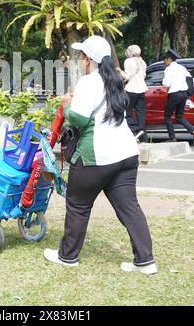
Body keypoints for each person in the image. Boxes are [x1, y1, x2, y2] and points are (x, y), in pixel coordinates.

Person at [44, 36, 157, 275]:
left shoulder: (89, 82)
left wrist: (65, 104)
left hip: (97, 157)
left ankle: (67, 256)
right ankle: (145, 261)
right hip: (126, 154)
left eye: (81, 55)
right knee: (130, 208)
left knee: (77, 205)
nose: (79, 59)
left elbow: (78, 118)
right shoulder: (114, 80)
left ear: (88, 59)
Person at [117, 45, 148, 142]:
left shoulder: (128, 61)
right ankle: (143, 138)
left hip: (131, 90)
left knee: (126, 113)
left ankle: (137, 129)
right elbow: (143, 76)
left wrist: (119, 71)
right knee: (141, 114)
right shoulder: (142, 62)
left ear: (130, 52)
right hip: (141, 90)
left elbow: (127, 76)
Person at [162, 49, 194, 141]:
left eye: (165, 59)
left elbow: (166, 84)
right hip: (184, 94)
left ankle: (172, 138)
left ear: (169, 59)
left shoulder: (168, 69)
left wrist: (163, 80)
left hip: (175, 94)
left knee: (167, 116)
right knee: (179, 117)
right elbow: (189, 78)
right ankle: (192, 129)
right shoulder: (182, 68)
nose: (164, 61)